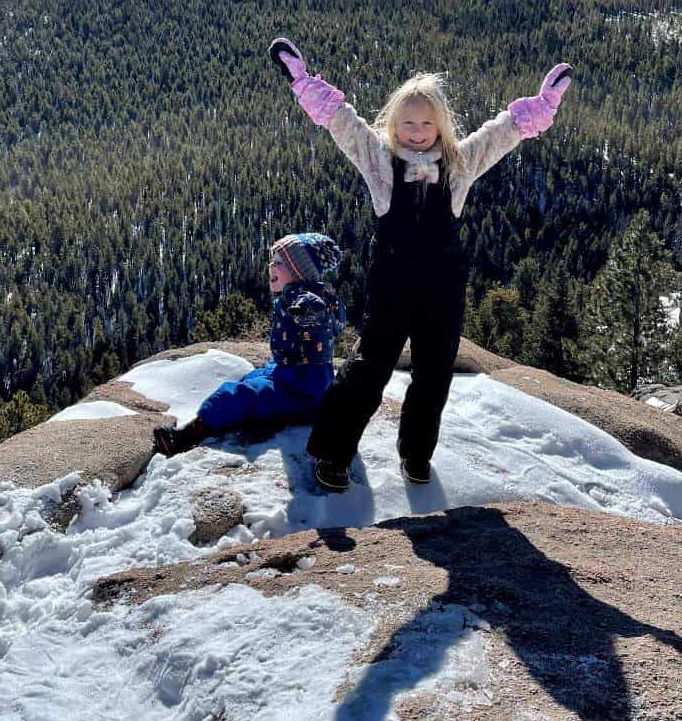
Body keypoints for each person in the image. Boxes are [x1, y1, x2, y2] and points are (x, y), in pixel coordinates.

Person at [269, 37, 572, 491]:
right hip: (391, 285)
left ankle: (415, 454)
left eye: (426, 122)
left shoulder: (459, 164)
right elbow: (344, 124)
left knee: (434, 373)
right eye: (408, 121)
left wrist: (540, 107)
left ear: (441, 125)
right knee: (369, 369)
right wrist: (303, 82)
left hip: (442, 289)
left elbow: (497, 136)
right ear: (394, 124)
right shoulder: (380, 161)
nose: (416, 130)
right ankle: (331, 453)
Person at [152, 233, 346, 456]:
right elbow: (337, 317)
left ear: (298, 271)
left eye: (279, 262)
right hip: (294, 375)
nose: (271, 265)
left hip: (302, 390)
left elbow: (314, 305)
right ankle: (233, 416)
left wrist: (307, 310)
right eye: (272, 259)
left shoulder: (303, 296)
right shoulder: (316, 292)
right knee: (250, 379)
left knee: (238, 393)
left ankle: (187, 436)